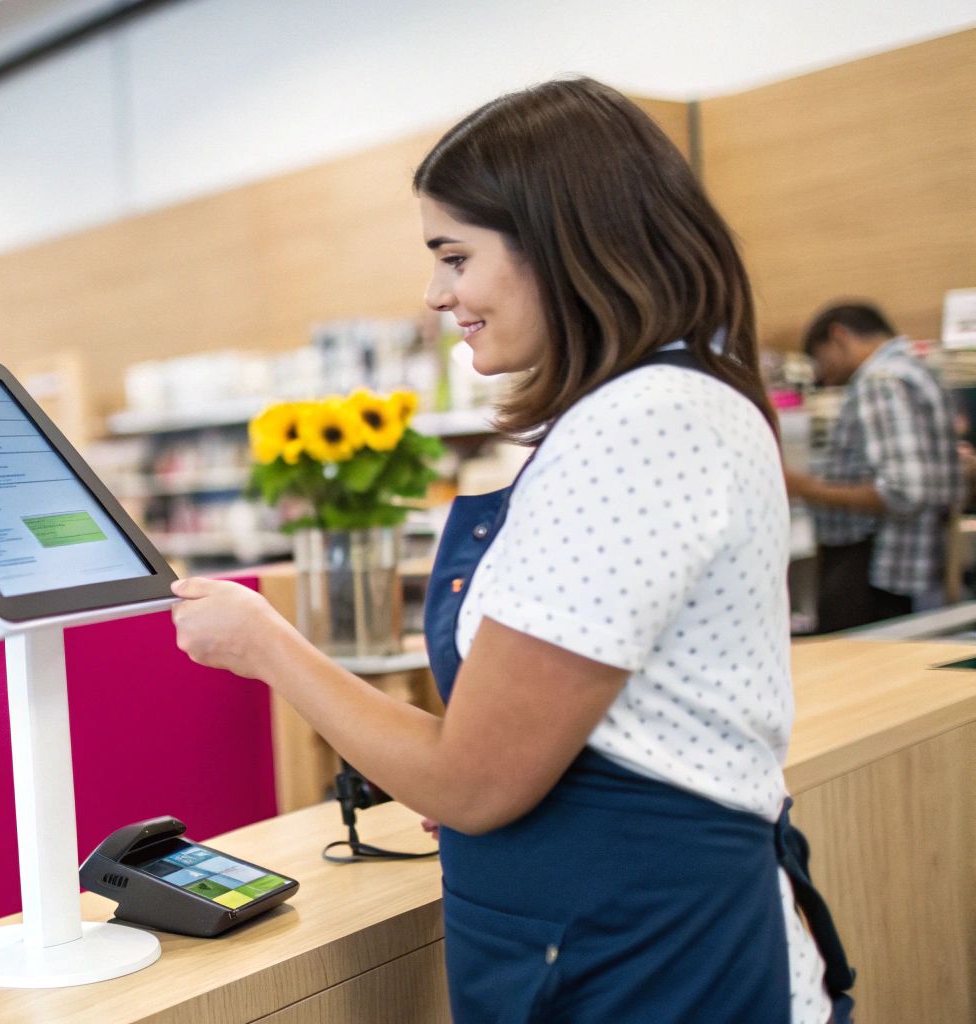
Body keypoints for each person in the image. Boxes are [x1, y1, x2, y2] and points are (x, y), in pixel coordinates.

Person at [169, 79, 853, 1022]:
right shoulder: (665, 404)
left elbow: (474, 782)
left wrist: (264, 644)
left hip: (648, 961)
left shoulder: (641, 424)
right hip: (627, 932)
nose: (436, 293)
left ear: (564, 243)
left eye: (455, 256)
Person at [784, 303, 959, 629]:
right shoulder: (916, 370)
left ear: (838, 335)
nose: (822, 374)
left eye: (819, 358)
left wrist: (802, 486)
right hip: (915, 564)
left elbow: (904, 490)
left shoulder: (879, 381)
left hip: (878, 569)